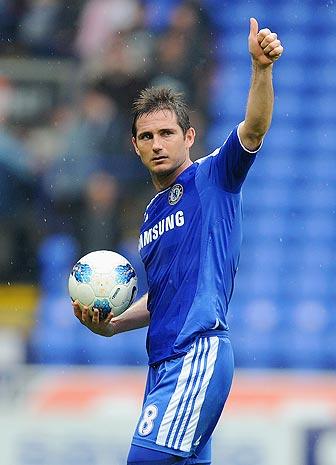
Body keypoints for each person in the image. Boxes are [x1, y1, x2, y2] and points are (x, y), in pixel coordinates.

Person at [73, 17, 283, 465]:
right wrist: (110, 325)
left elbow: (254, 129)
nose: (157, 144)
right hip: (163, 365)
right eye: (146, 136)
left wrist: (261, 70)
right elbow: (162, 299)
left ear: (188, 137)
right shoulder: (150, 217)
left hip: (196, 352)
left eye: (167, 133)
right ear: (135, 146)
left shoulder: (213, 177)